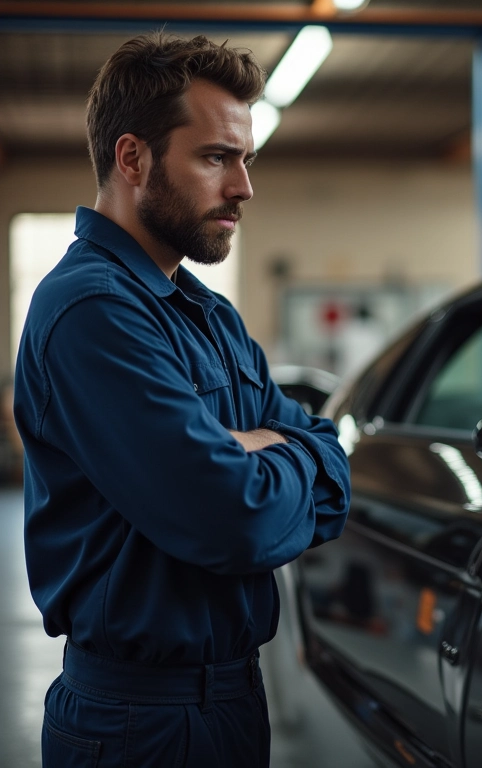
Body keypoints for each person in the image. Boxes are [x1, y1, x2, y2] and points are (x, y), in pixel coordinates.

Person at [13, 32, 350, 768]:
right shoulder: (90, 311)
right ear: (132, 158)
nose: (243, 188)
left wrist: (269, 450)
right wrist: (267, 454)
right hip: (138, 721)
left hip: (231, 699)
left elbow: (333, 461)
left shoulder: (208, 315)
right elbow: (232, 518)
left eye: (245, 160)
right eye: (215, 158)